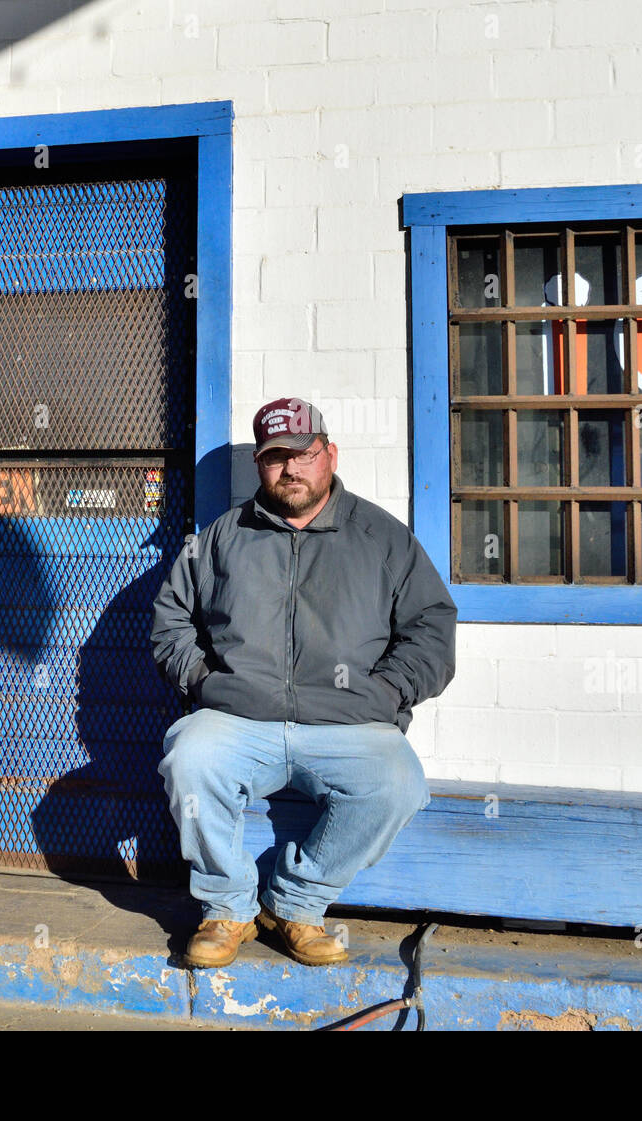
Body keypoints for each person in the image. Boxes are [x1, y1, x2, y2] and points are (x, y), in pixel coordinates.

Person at [150, 396, 457, 968]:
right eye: (274, 458)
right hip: (240, 719)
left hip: (348, 722)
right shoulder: (221, 537)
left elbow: (432, 627)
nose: (290, 469)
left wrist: (387, 693)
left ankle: (295, 904)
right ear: (260, 465)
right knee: (190, 759)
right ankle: (227, 909)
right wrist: (203, 682)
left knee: (397, 783)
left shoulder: (381, 537)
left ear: (329, 454)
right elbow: (171, 621)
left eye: (304, 454)